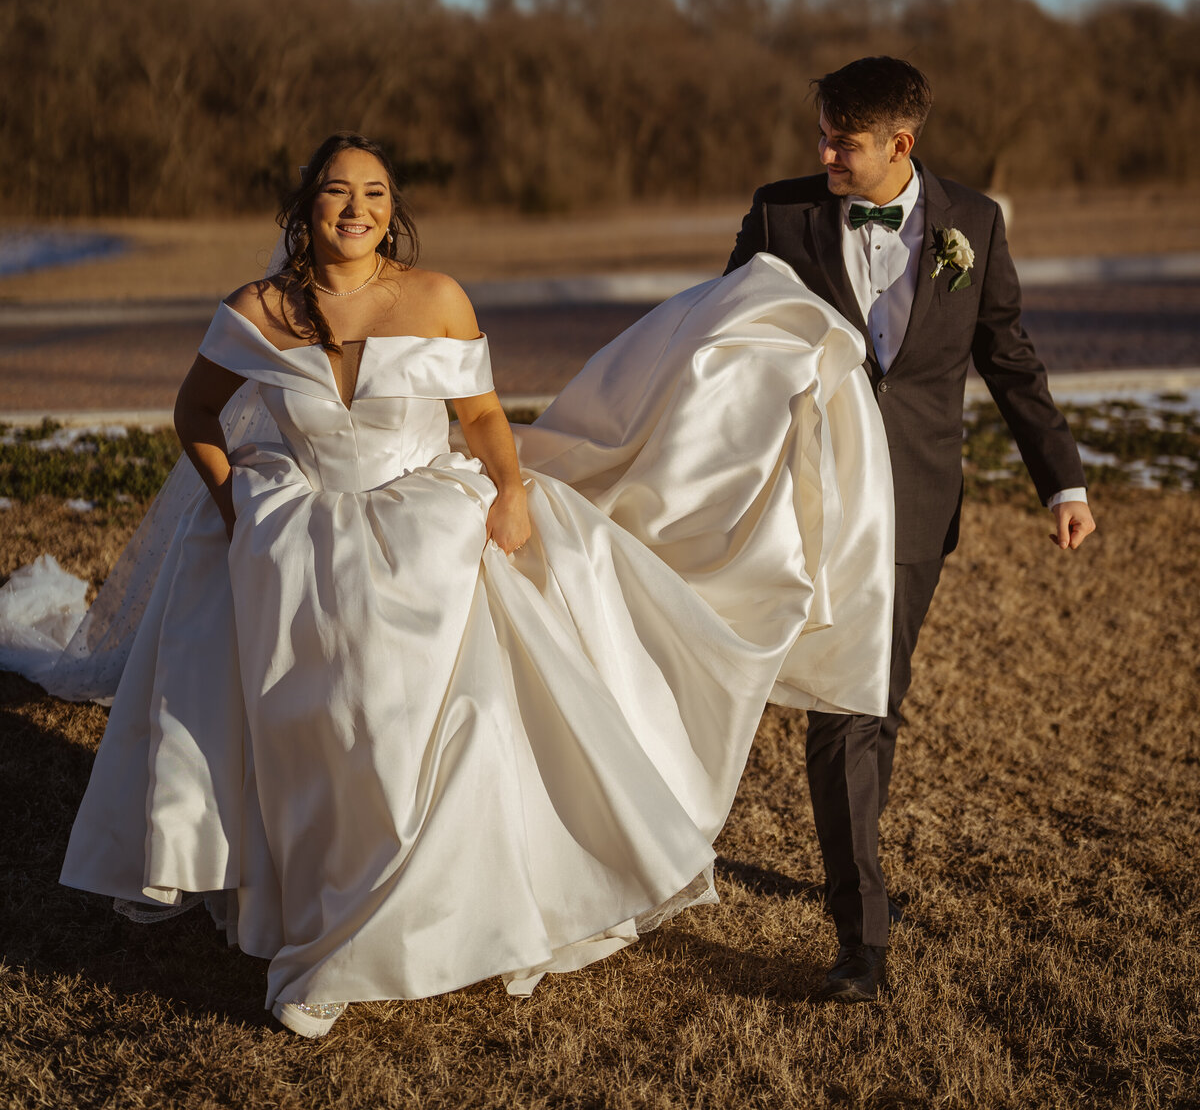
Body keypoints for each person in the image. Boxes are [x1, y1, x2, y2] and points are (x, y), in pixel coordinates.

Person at [57, 132, 896, 1037]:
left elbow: (483, 413)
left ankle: (377, 944)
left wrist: (509, 491)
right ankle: (316, 909)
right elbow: (196, 412)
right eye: (338, 193)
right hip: (297, 545)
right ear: (305, 207)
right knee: (318, 737)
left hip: (428, 536)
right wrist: (235, 508)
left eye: (376, 194)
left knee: (454, 727)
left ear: (394, 207)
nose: (358, 210)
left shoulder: (437, 297)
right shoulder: (257, 308)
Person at [726, 55, 1096, 1005]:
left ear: (903, 144)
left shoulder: (974, 222)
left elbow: (1009, 360)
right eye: (821, 135)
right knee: (845, 712)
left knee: (876, 704)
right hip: (815, 500)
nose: (823, 154)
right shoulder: (780, 215)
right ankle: (863, 939)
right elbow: (718, 345)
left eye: (842, 142)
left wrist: (1062, 482)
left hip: (919, 505)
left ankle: (852, 864)